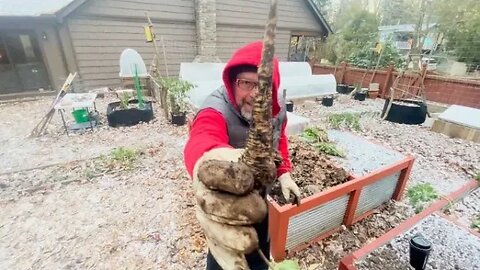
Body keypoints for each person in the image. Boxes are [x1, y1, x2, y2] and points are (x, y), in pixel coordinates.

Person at [183, 40, 301, 270]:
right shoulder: (215, 109)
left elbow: (280, 137)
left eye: (264, 87)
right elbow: (201, 139)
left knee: (259, 251)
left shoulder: (276, 108)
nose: (255, 95)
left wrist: (284, 174)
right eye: (246, 83)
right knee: (224, 257)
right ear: (232, 82)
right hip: (228, 205)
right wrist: (205, 163)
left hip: (260, 199)